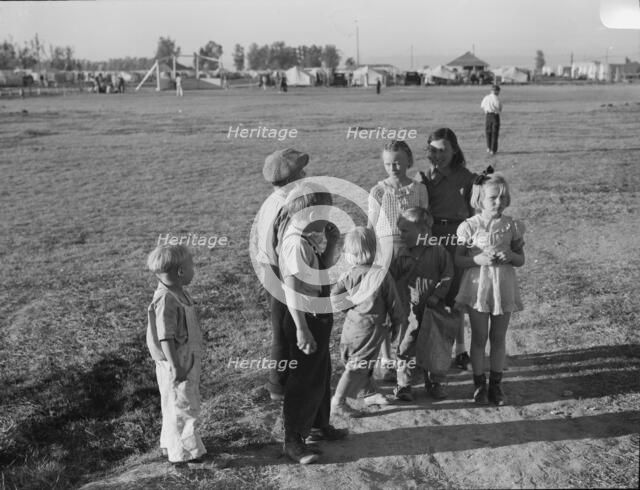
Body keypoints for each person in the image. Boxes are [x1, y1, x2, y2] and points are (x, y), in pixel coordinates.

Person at [278, 182, 346, 464]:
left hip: (318, 315)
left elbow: (323, 275)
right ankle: (293, 440)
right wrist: (302, 329)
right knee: (304, 379)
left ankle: (318, 425)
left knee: (321, 372)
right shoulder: (295, 243)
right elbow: (292, 289)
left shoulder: (307, 238)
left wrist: (330, 246)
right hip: (304, 318)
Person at [454, 168, 525, 406]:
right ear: (479, 199)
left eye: (503, 197)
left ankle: (496, 386)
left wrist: (510, 255)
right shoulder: (469, 226)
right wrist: (477, 259)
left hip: (503, 286)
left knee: (498, 336)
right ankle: (479, 385)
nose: (499, 202)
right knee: (479, 337)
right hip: (478, 288)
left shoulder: (512, 226)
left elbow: (520, 259)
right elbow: (458, 259)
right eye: (493, 197)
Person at [368, 140, 429, 381]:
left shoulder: (419, 189)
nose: (393, 167)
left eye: (397, 162)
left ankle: (406, 357)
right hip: (385, 254)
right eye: (388, 163)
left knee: (410, 308)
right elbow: (371, 226)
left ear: (409, 162)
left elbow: (425, 223)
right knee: (385, 308)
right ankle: (386, 359)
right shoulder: (378, 191)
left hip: (412, 254)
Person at [330, 227, 406, 417]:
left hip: (351, 326)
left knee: (363, 362)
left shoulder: (348, 274)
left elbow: (334, 296)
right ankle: (338, 402)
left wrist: (350, 309)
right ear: (375, 250)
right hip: (370, 330)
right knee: (357, 366)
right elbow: (395, 304)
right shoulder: (381, 275)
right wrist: (398, 325)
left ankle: (368, 394)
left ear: (349, 254)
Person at [417, 128, 476, 371]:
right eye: (433, 150)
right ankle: (434, 348)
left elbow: (474, 213)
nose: (438, 155)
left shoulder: (466, 177)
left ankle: (461, 348)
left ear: (454, 150)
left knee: (456, 294)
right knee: (432, 293)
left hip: (458, 236)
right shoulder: (424, 178)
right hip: (433, 238)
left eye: (444, 150)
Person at [253, 148, 310, 401]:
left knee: (282, 325)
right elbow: (284, 245)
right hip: (280, 270)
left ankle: (283, 380)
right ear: (291, 179)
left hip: (267, 268)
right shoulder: (288, 205)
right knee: (284, 329)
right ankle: (278, 385)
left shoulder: (269, 201)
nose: (306, 173)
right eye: (301, 172)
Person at [146, 244, 207, 464]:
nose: (194, 269)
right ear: (180, 272)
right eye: (192, 265)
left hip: (184, 356)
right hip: (177, 360)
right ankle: (185, 452)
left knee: (173, 402)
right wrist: (175, 366)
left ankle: (169, 443)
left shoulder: (178, 293)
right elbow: (166, 336)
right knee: (184, 404)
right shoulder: (166, 299)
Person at [392, 208, 454, 401]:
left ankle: (435, 382)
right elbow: (392, 280)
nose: (400, 235)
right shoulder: (401, 254)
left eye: (405, 231)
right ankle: (404, 384)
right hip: (409, 311)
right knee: (406, 345)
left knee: (434, 344)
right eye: (400, 230)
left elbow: (447, 274)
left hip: (432, 309)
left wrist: (438, 294)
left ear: (423, 233)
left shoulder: (438, 251)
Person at [481, 85, 502, 155]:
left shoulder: (486, 97)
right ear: (496, 91)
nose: (499, 93)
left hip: (487, 116)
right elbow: (499, 108)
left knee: (488, 132)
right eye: (498, 91)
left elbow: (482, 106)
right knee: (494, 133)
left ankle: (488, 148)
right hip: (495, 116)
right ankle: (493, 150)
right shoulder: (496, 98)